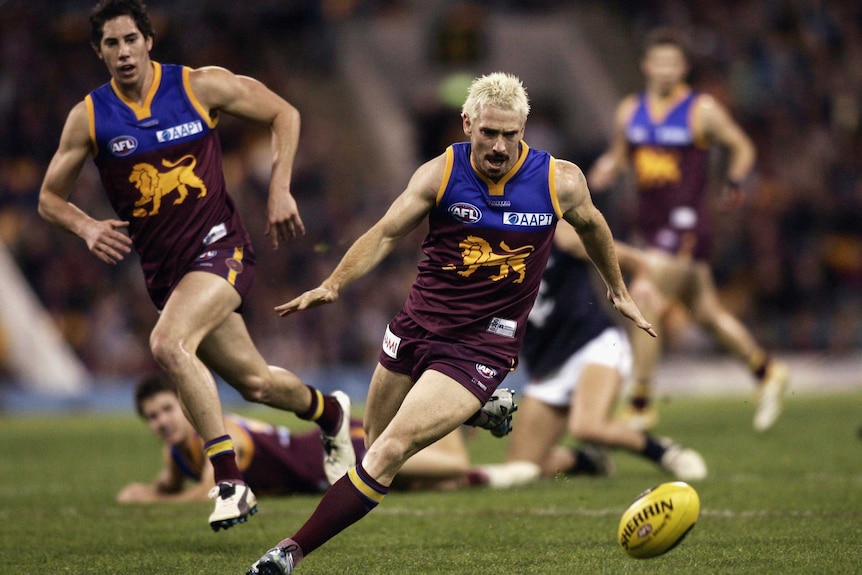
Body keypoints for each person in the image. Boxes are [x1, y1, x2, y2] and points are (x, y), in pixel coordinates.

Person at [246, 72, 656, 574]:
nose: (500, 146)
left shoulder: (560, 181)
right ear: (467, 125)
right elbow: (385, 233)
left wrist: (616, 289)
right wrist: (334, 283)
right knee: (373, 442)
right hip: (416, 327)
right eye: (489, 133)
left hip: (482, 347)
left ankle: (288, 553)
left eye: (511, 134)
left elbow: (594, 226)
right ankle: (479, 410)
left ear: (525, 127)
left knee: (389, 453)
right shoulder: (439, 173)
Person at [37, 0, 355, 532]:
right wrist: (87, 227)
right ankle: (331, 414)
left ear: (149, 41)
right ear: (99, 52)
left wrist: (279, 190)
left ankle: (229, 482)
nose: (123, 52)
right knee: (255, 382)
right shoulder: (90, 116)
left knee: (167, 344)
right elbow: (50, 198)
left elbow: (285, 113)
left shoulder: (197, 86)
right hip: (167, 274)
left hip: (221, 248)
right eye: (111, 44)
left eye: (131, 40)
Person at [588, 27, 789, 433]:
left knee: (644, 292)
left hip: (687, 225)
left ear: (683, 67)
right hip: (650, 226)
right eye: (658, 62)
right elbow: (619, 154)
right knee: (707, 313)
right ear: (647, 65)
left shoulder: (702, 110)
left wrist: (734, 181)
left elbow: (741, 146)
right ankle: (767, 372)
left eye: (673, 63)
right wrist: (606, 170)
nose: (665, 70)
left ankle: (641, 401)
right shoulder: (630, 110)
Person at [477, 222, 707, 490]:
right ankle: (587, 460)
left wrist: (642, 276)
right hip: (547, 364)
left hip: (592, 343)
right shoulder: (481, 259)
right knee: (521, 470)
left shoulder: (551, 229)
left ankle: (666, 452)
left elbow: (616, 252)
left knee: (587, 426)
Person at [117, 374, 475, 504]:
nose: (162, 422)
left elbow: (207, 493)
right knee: (444, 485)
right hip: (324, 460)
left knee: (456, 467)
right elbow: (171, 482)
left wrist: (148, 500)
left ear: (185, 405)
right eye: (152, 416)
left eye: (166, 409)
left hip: (343, 453)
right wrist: (156, 488)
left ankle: (459, 414)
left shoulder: (222, 439)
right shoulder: (177, 454)